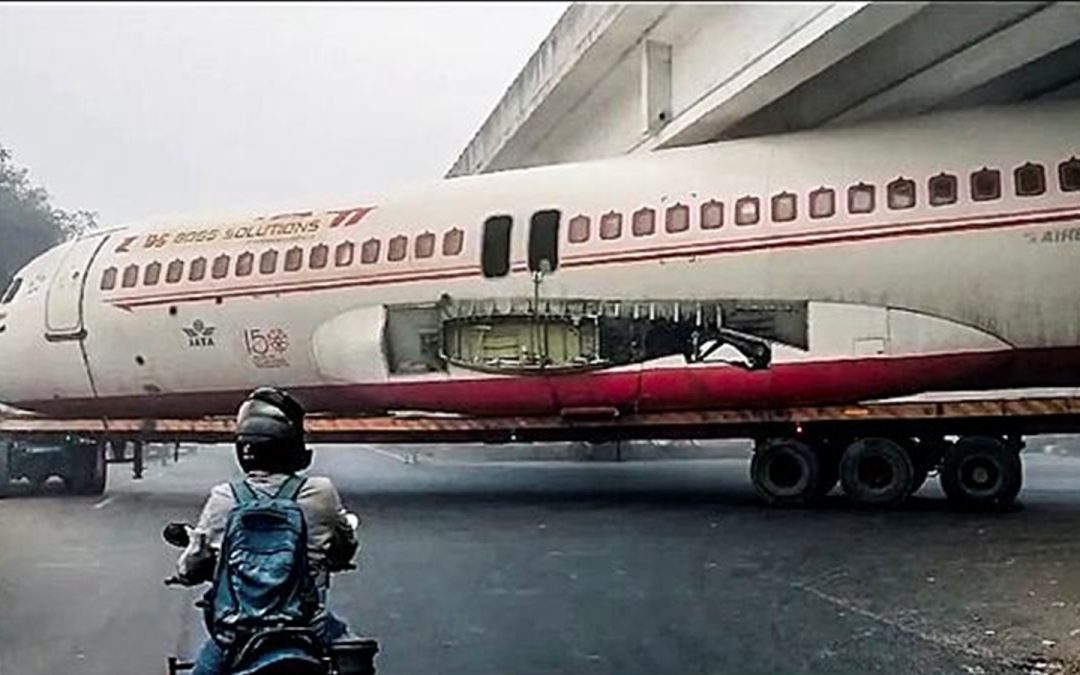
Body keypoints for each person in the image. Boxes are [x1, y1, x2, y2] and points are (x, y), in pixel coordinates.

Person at [176, 386, 359, 675]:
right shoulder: (321, 492)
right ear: (292, 445)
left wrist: (188, 572)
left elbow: (192, 563)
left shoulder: (224, 497)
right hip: (307, 626)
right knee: (354, 656)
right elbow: (345, 545)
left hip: (236, 635)